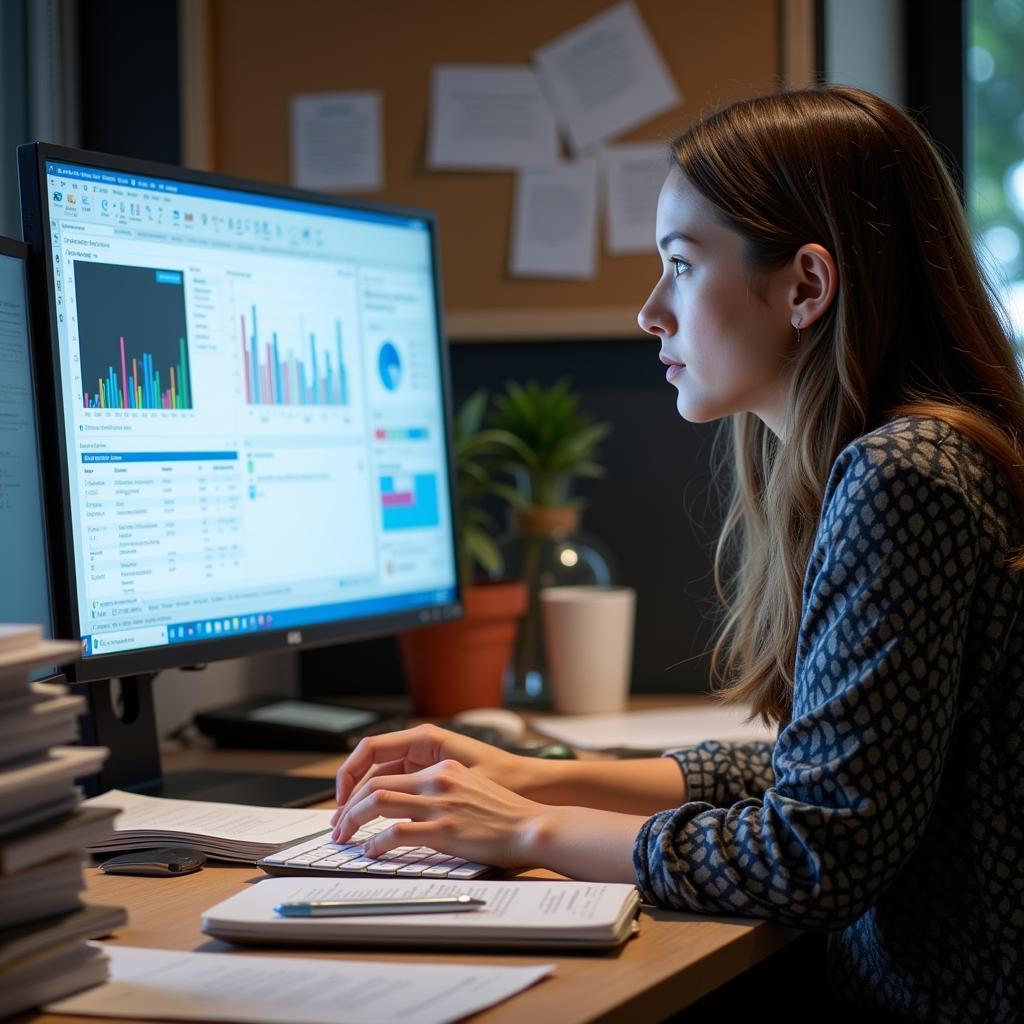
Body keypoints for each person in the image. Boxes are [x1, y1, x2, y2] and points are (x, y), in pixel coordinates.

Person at [329, 86, 1023, 1023]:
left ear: (806, 287)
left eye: (681, 266)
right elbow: (816, 775)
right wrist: (531, 772)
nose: (650, 311)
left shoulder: (903, 476)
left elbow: (814, 853)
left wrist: (530, 828)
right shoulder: (896, 462)